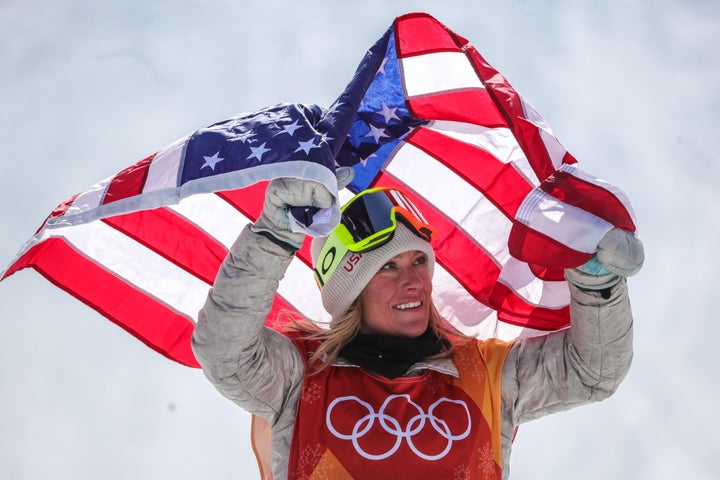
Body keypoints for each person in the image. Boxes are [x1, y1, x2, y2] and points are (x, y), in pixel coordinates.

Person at [192, 172, 644, 479]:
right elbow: (223, 351)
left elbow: (593, 372)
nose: (414, 280)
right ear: (351, 292)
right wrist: (273, 235)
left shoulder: (485, 372)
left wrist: (596, 283)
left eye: (420, 261)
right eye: (387, 267)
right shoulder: (302, 373)